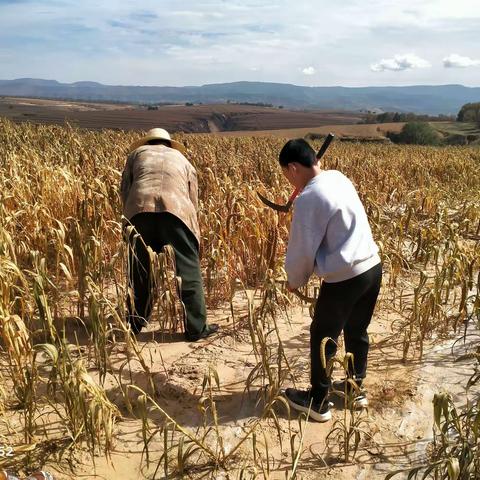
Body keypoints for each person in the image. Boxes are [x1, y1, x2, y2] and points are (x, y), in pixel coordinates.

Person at [280, 139, 382, 422]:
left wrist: (294, 280)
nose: (288, 180)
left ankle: (318, 401)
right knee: (357, 329)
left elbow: (302, 249)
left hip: (345, 277)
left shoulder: (309, 199)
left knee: (322, 336)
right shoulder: (337, 177)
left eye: (287, 175)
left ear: (293, 168)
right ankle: (354, 387)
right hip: (372, 267)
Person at [120, 128, 219, 341]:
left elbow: (125, 189)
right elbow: (193, 197)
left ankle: (135, 322)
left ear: (148, 141)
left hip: (139, 210)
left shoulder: (136, 155)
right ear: (168, 143)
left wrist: (128, 219)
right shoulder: (182, 159)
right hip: (177, 212)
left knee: (139, 268)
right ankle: (196, 328)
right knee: (188, 270)